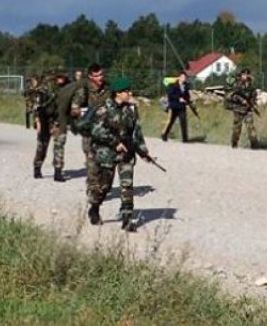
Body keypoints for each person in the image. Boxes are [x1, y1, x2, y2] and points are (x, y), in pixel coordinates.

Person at [86, 76, 153, 232]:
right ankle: (94, 207)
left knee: (127, 185)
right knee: (104, 186)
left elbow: (137, 132)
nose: (130, 93)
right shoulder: (103, 109)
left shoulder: (131, 109)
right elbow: (95, 131)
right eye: (126, 91)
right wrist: (114, 143)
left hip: (127, 153)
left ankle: (127, 219)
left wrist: (144, 152)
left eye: (130, 90)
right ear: (117, 93)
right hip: (107, 153)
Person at [72, 63, 110, 189]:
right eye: (97, 75)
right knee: (92, 161)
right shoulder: (84, 90)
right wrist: (86, 112)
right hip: (90, 132)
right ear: (90, 76)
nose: (100, 77)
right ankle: (92, 188)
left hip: (106, 131)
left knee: (106, 162)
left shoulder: (108, 89)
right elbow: (74, 109)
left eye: (102, 74)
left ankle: (102, 185)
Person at [28, 72, 62, 179]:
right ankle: (37, 168)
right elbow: (36, 108)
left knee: (58, 145)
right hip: (44, 121)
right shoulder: (40, 91)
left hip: (56, 121)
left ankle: (58, 171)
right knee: (42, 146)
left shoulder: (60, 90)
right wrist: (37, 122)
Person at [225, 67, 260, 149]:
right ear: (241, 75)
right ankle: (234, 143)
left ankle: (254, 144)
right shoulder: (236, 85)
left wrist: (252, 104)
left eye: (247, 74)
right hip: (238, 108)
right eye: (243, 74)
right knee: (237, 128)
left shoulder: (251, 87)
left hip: (247, 109)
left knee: (250, 126)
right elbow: (230, 96)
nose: (245, 76)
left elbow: (254, 96)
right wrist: (241, 100)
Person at [161, 71, 192, 142]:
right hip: (173, 106)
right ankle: (164, 134)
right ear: (179, 77)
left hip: (182, 107)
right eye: (183, 77)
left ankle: (185, 138)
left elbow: (187, 95)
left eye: (185, 77)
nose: (184, 79)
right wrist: (178, 98)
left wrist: (187, 101)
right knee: (170, 121)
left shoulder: (186, 86)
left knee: (183, 121)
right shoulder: (173, 85)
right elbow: (170, 95)